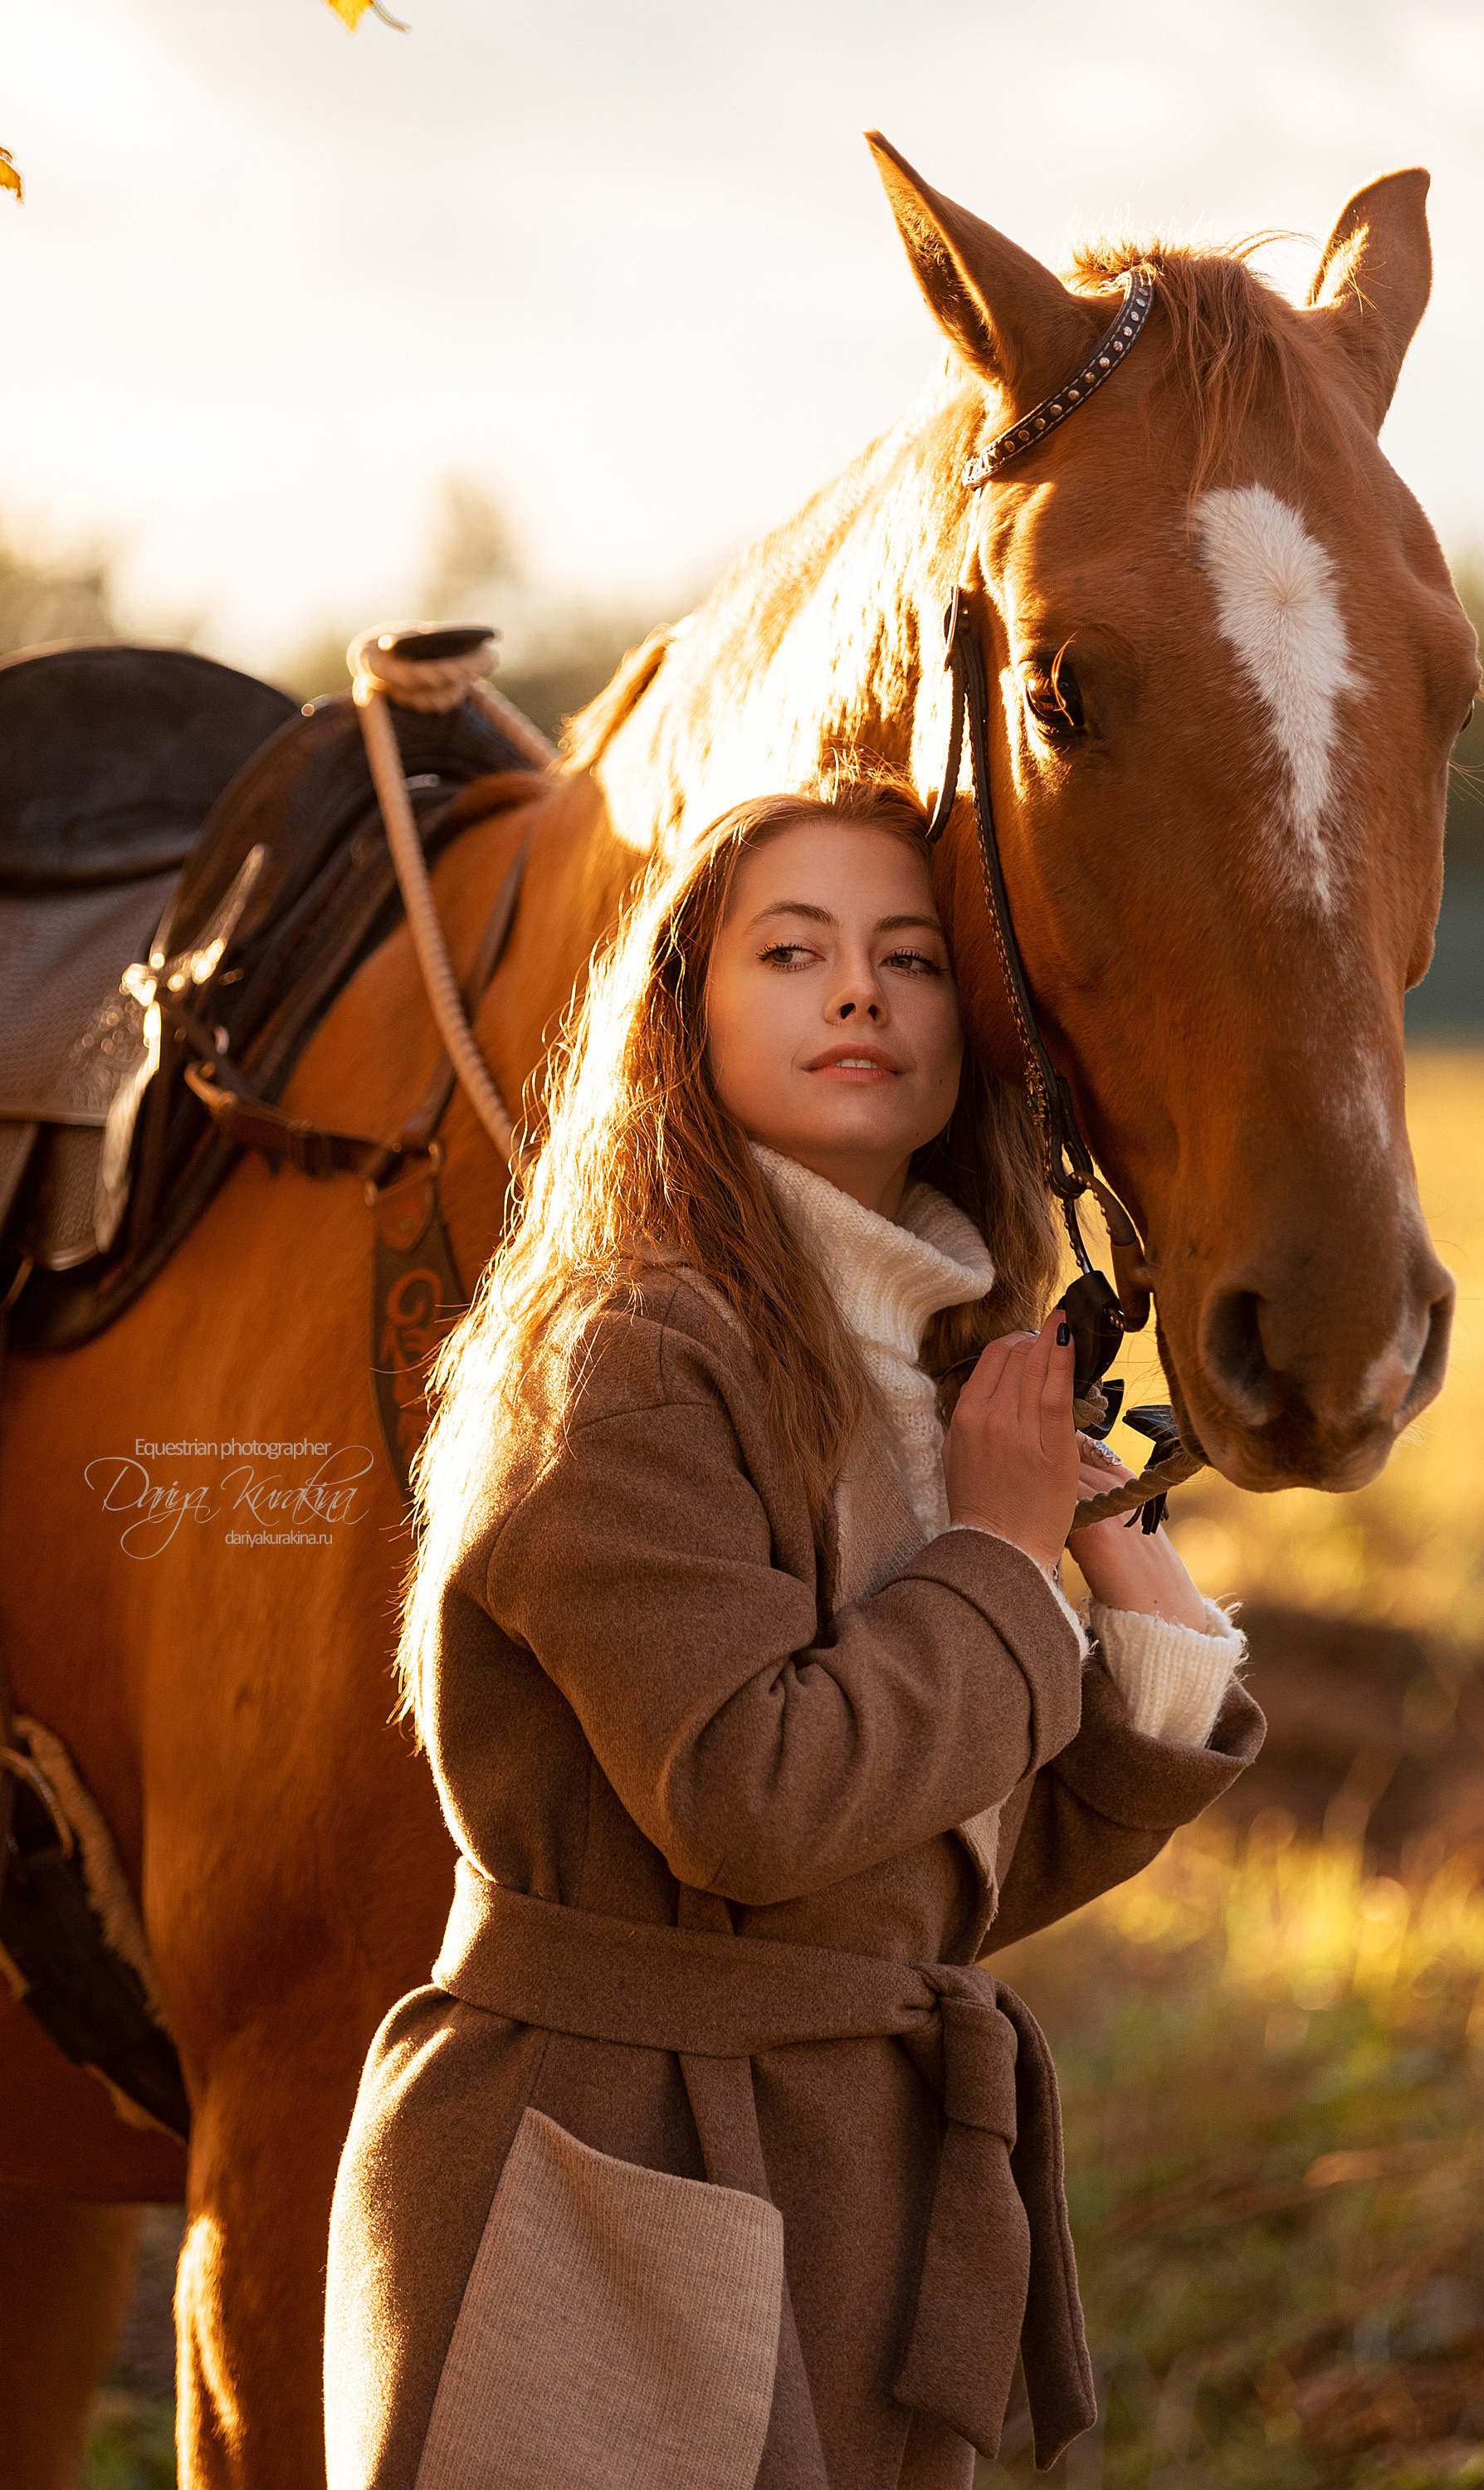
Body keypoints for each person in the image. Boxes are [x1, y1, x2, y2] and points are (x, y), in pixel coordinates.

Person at [323, 777, 1264, 2490]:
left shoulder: (923, 1366)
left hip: (853, 2180)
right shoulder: (617, 1352)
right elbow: (752, 1801)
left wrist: (1129, 1594)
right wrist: (993, 1547)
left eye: (910, 958)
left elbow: (899, 1890)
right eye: (795, 950)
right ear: (682, 1014)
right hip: (597, 2180)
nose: (861, 992)